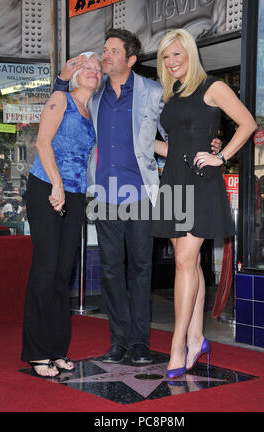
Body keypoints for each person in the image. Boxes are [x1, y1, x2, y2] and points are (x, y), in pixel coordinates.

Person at [54, 29, 222, 365]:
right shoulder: (94, 92)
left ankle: (140, 342)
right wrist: (63, 78)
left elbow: (178, 129)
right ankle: (119, 340)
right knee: (112, 269)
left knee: (142, 268)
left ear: (130, 59)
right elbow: (61, 104)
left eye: (113, 51)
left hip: (144, 193)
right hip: (103, 192)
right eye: (105, 50)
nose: (106, 56)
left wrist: (210, 144)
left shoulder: (154, 92)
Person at [151, 29, 257, 378]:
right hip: (174, 182)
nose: (172, 62)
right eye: (166, 57)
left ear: (191, 53)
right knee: (190, 265)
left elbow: (247, 123)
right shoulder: (172, 93)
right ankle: (196, 339)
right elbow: (176, 145)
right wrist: (145, 144)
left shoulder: (213, 87)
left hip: (200, 182)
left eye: (177, 54)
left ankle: (177, 345)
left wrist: (221, 156)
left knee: (183, 260)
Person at [21, 51, 102, 377]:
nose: (94, 71)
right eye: (88, 67)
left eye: (98, 69)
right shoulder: (61, 98)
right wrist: (56, 184)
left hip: (75, 195)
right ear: (75, 72)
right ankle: (37, 352)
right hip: (46, 187)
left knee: (62, 273)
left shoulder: (92, 110)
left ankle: (57, 349)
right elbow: (42, 143)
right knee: (45, 268)